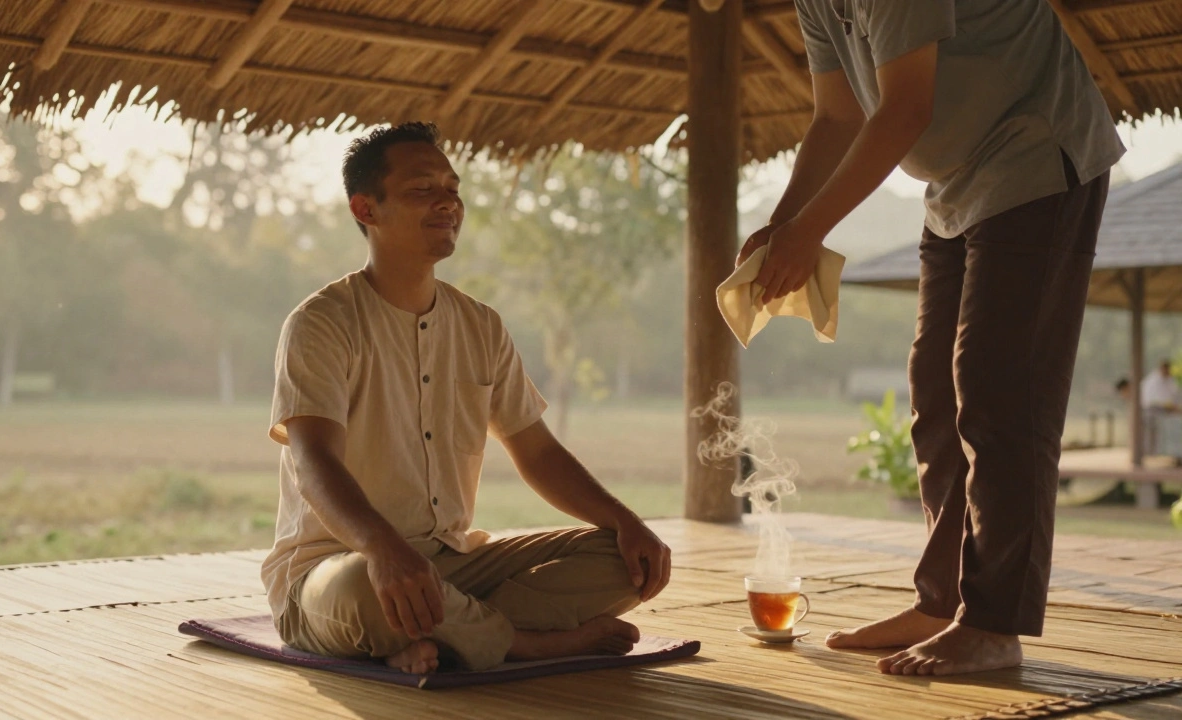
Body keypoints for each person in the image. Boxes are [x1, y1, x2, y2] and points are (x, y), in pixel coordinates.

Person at [737, 1, 1124, 675]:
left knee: (998, 389)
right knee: (935, 394)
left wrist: (811, 231)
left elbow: (905, 111)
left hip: (1034, 149)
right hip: (955, 187)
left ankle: (995, 623)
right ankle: (941, 602)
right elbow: (837, 116)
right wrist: (784, 222)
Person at [260, 122, 671, 675]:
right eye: (422, 189)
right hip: (337, 569)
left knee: (624, 561)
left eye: (452, 189)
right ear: (366, 209)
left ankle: (447, 636)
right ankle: (524, 643)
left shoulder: (481, 325)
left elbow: (540, 454)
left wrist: (626, 522)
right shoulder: (322, 323)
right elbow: (313, 463)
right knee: (364, 591)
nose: (447, 203)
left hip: (453, 565)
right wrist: (383, 550)